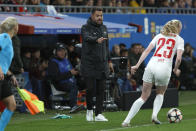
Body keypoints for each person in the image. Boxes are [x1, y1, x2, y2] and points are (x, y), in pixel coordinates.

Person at [122, 19, 184, 127]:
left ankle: (126, 121)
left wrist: (136, 65)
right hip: (164, 68)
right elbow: (178, 59)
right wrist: (175, 69)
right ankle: (154, 115)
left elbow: (146, 51)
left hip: (151, 65)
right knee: (160, 93)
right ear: (178, 28)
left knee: (143, 96)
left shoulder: (159, 36)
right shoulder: (179, 40)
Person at [81, 7, 113, 122]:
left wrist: (109, 61)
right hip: (89, 63)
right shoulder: (85, 28)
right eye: (97, 16)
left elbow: (106, 46)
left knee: (101, 89)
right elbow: (86, 38)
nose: (100, 18)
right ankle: (89, 110)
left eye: (101, 15)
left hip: (102, 64)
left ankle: (99, 113)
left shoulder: (104, 28)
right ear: (92, 16)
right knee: (90, 89)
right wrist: (96, 40)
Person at [47, 42, 82, 113]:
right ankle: (73, 106)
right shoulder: (53, 62)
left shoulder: (66, 60)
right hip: (60, 84)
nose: (62, 52)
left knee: (88, 81)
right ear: (55, 52)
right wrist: (70, 73)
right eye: (60, 51)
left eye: (63, 50)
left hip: (70, 81)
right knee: (73, 86)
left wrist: (77, 72)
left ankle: (92, 105)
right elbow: (56, 77)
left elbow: (72, 72)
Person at [0, 17, 19, 131]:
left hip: (3, 78)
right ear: (15, 27)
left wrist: (11, 75)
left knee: (11, 105)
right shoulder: (5, 37)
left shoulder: (8, 39)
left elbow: (3, 62)